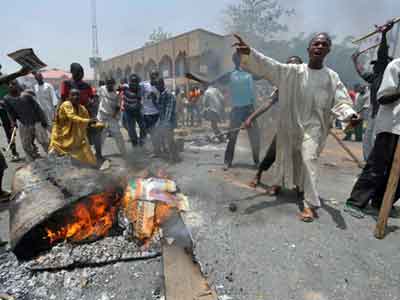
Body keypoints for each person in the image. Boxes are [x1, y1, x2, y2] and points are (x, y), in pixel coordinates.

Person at [234, 33, 358, 222]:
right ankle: (281, 184)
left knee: (309, 160)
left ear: (328, 50)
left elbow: (341, 101)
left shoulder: (332, 77)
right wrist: (250, 52)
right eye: (316, 43)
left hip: (313, 128)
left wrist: (350, 115)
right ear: (309, 49)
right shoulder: (294, 71)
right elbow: (270, 66)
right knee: (283, 156)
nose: (319, 46)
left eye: (324, 44)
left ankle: (309, 205)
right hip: (290, 126)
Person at [344, 57, 400, 219]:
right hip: (392, 127)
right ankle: (356, 202)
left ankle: (382, 202)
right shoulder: (396, 65)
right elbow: (382, 98)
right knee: (377, 167)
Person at [244, 56, 303, 190]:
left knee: (300, 158)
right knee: (273, 154)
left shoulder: (307, 85)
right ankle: (259, 174)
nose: (292, 69)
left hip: (303, 129)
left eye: (295, 65)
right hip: (285, 127)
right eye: (289, 65)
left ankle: (298, 185)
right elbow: (268, 103)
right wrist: (251, 118)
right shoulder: (282, 86)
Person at [352, 20, 394, 159]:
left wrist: (384, 35)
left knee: (376, 140)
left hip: (384, 113)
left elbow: (382, 55)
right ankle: (368, 164)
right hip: (373, 113)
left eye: (377, 64)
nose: (374, 66)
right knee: (367, 140)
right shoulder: (374, 77)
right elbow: (362, 73)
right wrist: (355, 61)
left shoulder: (385, 72)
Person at [213, 52, 261, 170]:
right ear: (237, 60)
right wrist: (200, 80)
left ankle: (256, 161)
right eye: (242, 58)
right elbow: (215, 81)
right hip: (236, 110)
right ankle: (227, 162)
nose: (245, 60)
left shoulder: (250, 73)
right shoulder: (230, 75)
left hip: (249, 109)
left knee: (255, 137)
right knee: (232, 137)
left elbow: (263, 75)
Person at [60, 63, 103, 161]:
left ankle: (99, 155)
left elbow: (92, 99)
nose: (81, 74)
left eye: (82, 72)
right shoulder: (67, 84)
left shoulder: (86, 85)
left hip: (86, 113)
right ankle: (75, 159)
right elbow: (63, 100)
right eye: (78, 72)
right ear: (72, 72)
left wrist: (92, 106)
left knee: (96, 132)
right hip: (72, 114)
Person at [50, 89, 103, 166]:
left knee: (85, 151)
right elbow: (72, 117)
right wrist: (88, 121)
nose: (76, 97)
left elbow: (88, 121)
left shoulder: (82, 108)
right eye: (73, 95)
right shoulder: (66, 104)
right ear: (69, 97)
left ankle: (93, 165)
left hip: (74, 136)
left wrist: (98, 125)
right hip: (61, 136)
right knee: (56, 156)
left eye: (77, 95)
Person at [4, 80, 49, 162]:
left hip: (36, 122)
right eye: (9, 84)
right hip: (23, 123)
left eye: (13, 84)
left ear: (17, 85)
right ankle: (33, 159)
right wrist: (13, 123)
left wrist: (43, 120)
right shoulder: (7, 99)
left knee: (44, 141)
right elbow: (10, 112)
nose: (11, 86)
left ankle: (52, 157)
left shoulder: (26, 95)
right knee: (26, 145)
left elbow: (38, 109)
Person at [97, 78, 126, 157]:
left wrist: (114, 115)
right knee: (101, 135)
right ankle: (98, 153)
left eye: (111, 84)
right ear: (106, 84)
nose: (109, 86)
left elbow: (118, 106)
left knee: (118, 135)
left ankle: (123, 152)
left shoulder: (117, 94)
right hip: (102, 116)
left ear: (113, 85)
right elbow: (97, 97)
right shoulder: (102, 89)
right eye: (108, 84)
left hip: (112, 117)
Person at [154, 77, 179, 162]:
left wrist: (166, 123)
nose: (156, 87)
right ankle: (167, 154)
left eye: (157, 85)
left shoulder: (168, 94)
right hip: (162, 120)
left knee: (170, 139)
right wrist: (154, 101)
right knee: (160, 137)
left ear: (162, 85)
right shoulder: (160, 94)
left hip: (169, 121)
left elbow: (169, 109)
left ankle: (174, 156)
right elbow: (159, 109)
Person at [121, 74, 146, 147]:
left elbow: (139, 100)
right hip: (128, 111)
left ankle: (142, 142)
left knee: (143, 127)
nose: (134, 83)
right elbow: (116, 91)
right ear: (129, 82)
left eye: (136, 82)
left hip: (137, 110)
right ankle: (134, 143)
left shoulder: (140, 88)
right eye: (132, 81)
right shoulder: (125, 87)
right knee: (131, 129)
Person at [141, 71, 161, 152]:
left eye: (155, 76)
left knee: (155, 133)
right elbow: (138, 94)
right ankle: (141, 149)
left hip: (156, 113)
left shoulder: (159, 86)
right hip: (146, 113)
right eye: (152, 76)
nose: (154, 77)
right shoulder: (144, 85)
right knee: (144, 132)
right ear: (150, 76)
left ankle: (156, 150)